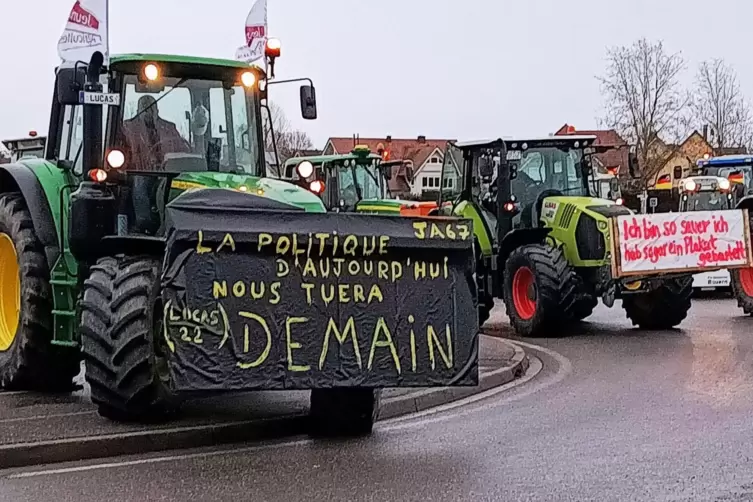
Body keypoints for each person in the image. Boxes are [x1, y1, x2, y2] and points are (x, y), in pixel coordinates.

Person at [119, 95, 191, 234]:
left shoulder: (169, 128)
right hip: (139, 171)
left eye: (151, 107)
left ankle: (180, 223)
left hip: (167, 171)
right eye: (145, 107)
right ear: (138, 109)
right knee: (140, 181)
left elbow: (181, 148)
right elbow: (123, 151)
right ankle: (144, 223)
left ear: (157, 109)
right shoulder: (128, 128)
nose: (148, 111)